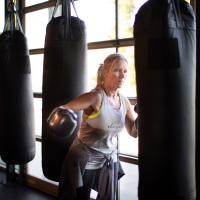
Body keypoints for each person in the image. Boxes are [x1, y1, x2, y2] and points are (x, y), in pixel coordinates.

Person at [53, 53, 138, 200]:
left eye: (125, 71)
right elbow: (64, 109)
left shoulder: (124, 102)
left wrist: (145, 118)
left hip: (108, 159)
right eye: (117, 70)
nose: (122, 75)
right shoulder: (95, 97)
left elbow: (133, 132)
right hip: (85, 158)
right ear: (105, 72)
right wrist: (61, 117)